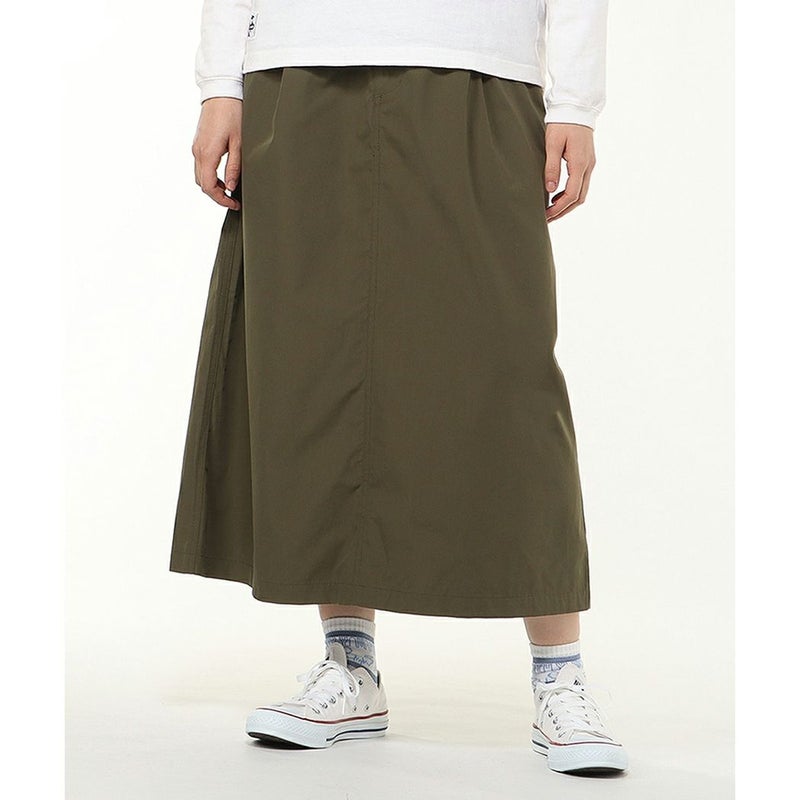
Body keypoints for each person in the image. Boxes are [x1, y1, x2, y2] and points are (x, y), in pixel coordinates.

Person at [171, 0, 628, 776]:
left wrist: (576, 103)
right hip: (298, 62)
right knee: (313, 365)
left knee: (508, 376)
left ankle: (561, 676)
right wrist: (221, 83)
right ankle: (350, 667)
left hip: (479, 67)